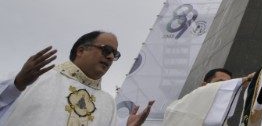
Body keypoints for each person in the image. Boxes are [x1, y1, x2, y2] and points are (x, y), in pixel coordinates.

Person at [0, 32, 153, 126]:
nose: (111, 57)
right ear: (81, 51)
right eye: (106, 50)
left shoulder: (108, 103)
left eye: (115, 54)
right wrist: (17, 84)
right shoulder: (35, 79)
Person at [163, 68, 255, 126]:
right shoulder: (182, 104)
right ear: (204, 85)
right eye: (219, 82)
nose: (224, 87)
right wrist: (244, 80)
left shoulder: (222, 120)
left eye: (227, 84)